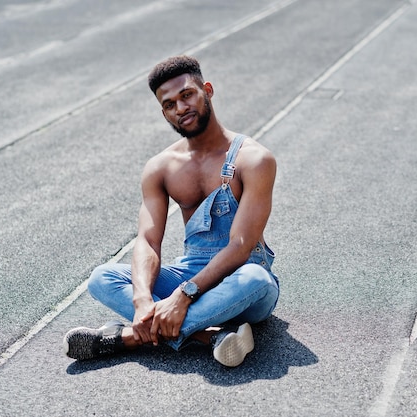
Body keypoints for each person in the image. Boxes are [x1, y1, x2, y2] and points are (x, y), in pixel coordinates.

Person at [63, 55, 279, 367]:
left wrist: (182, 296)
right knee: (102, 277)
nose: (180, 109)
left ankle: (129, 338)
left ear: (207, 90)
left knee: (256, 279)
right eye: (169, 104)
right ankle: (210, 335)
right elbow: (148, 240)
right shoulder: (160, 167)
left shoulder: (255, 160)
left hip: (241, 284)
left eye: (187, 95)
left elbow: (241, 246)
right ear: (163, 112)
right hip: (188, 271)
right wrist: (142, 300)